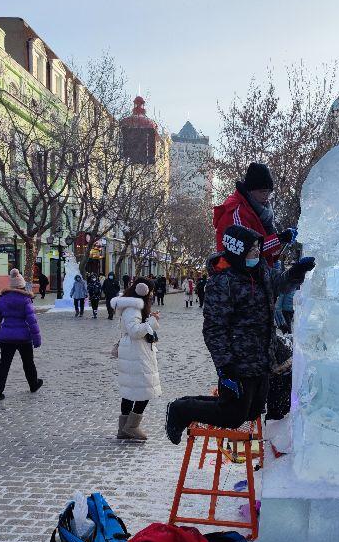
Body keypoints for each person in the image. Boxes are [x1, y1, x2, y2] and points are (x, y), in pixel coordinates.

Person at [165, 224, 315, 444]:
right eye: (252, 249)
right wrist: (225, 367)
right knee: (233, 416)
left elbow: (278, 284)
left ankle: (188, 404)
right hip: (238, 360)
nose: (257, 252)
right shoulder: (222, 280)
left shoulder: (260, 269)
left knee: (253, 411)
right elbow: (214, 328)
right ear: (238, 251)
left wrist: (295, 273)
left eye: (257, 247)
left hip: (262, 356)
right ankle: (180, 410)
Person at [213, 162, 297, 268]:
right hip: (234, 276)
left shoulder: (259, 211)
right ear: (250, 190)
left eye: (268, 192)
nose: (266, 196)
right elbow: (248, 251)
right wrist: (280, 238)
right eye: (262, 192)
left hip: (252, 274)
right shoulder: (236, 212)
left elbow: (262, 249)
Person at [112, 278, 161, 441]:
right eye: (151, 291)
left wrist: (148, 319)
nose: (152, 294)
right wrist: (152, 323)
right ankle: (131, 427)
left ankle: (124, 428)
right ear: (143, 290)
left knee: (131, 390)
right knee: (144, 388)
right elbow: (134, 331)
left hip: (135, 351)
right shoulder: (133, 308)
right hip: (136, 352)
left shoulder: (133, 306)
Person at [0, 268, 42, 401]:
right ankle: (33, 384)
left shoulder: (3, 299)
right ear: (22, 285)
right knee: (28, 362)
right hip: (23, 337)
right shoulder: (26, 300)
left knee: (4, 365)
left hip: (6, 337)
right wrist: (37, 339)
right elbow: (32, 321)